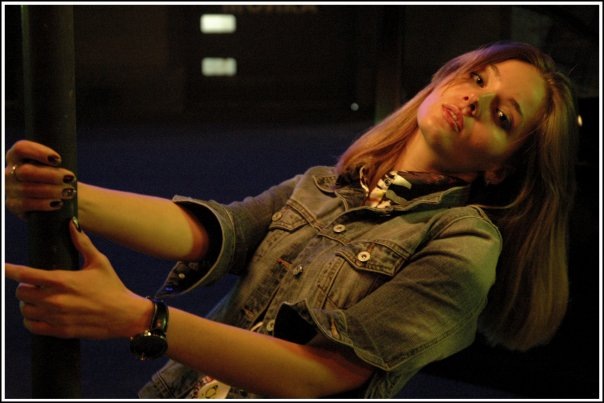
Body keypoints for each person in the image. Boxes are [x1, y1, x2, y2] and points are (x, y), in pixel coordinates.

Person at [4, 41, 578, 398]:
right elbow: (215, 232)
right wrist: (67, 194)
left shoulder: (466, 244)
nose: (476, 100)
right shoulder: (325, 183)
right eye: (478, 78)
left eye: (502, 116)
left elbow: (321, 375)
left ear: (501, 168)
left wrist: (139, 318)